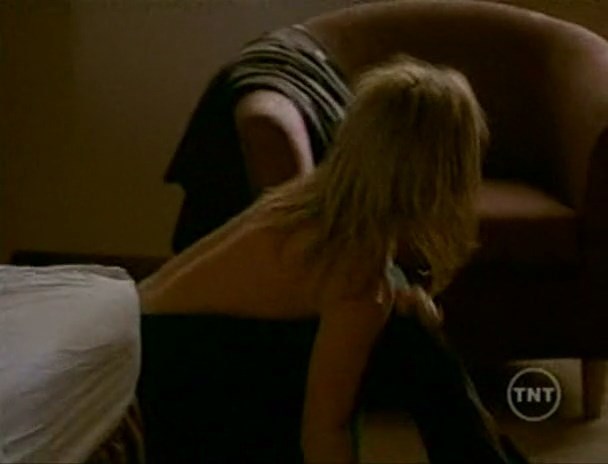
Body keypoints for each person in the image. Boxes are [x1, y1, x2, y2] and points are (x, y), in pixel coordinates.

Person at [136, 55, 526, 464]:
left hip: (149, 340)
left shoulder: (314, 201)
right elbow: (323, 428)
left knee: (409, 333)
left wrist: (405, 301)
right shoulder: (356, 276)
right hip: (173, 380)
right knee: (410, 343)